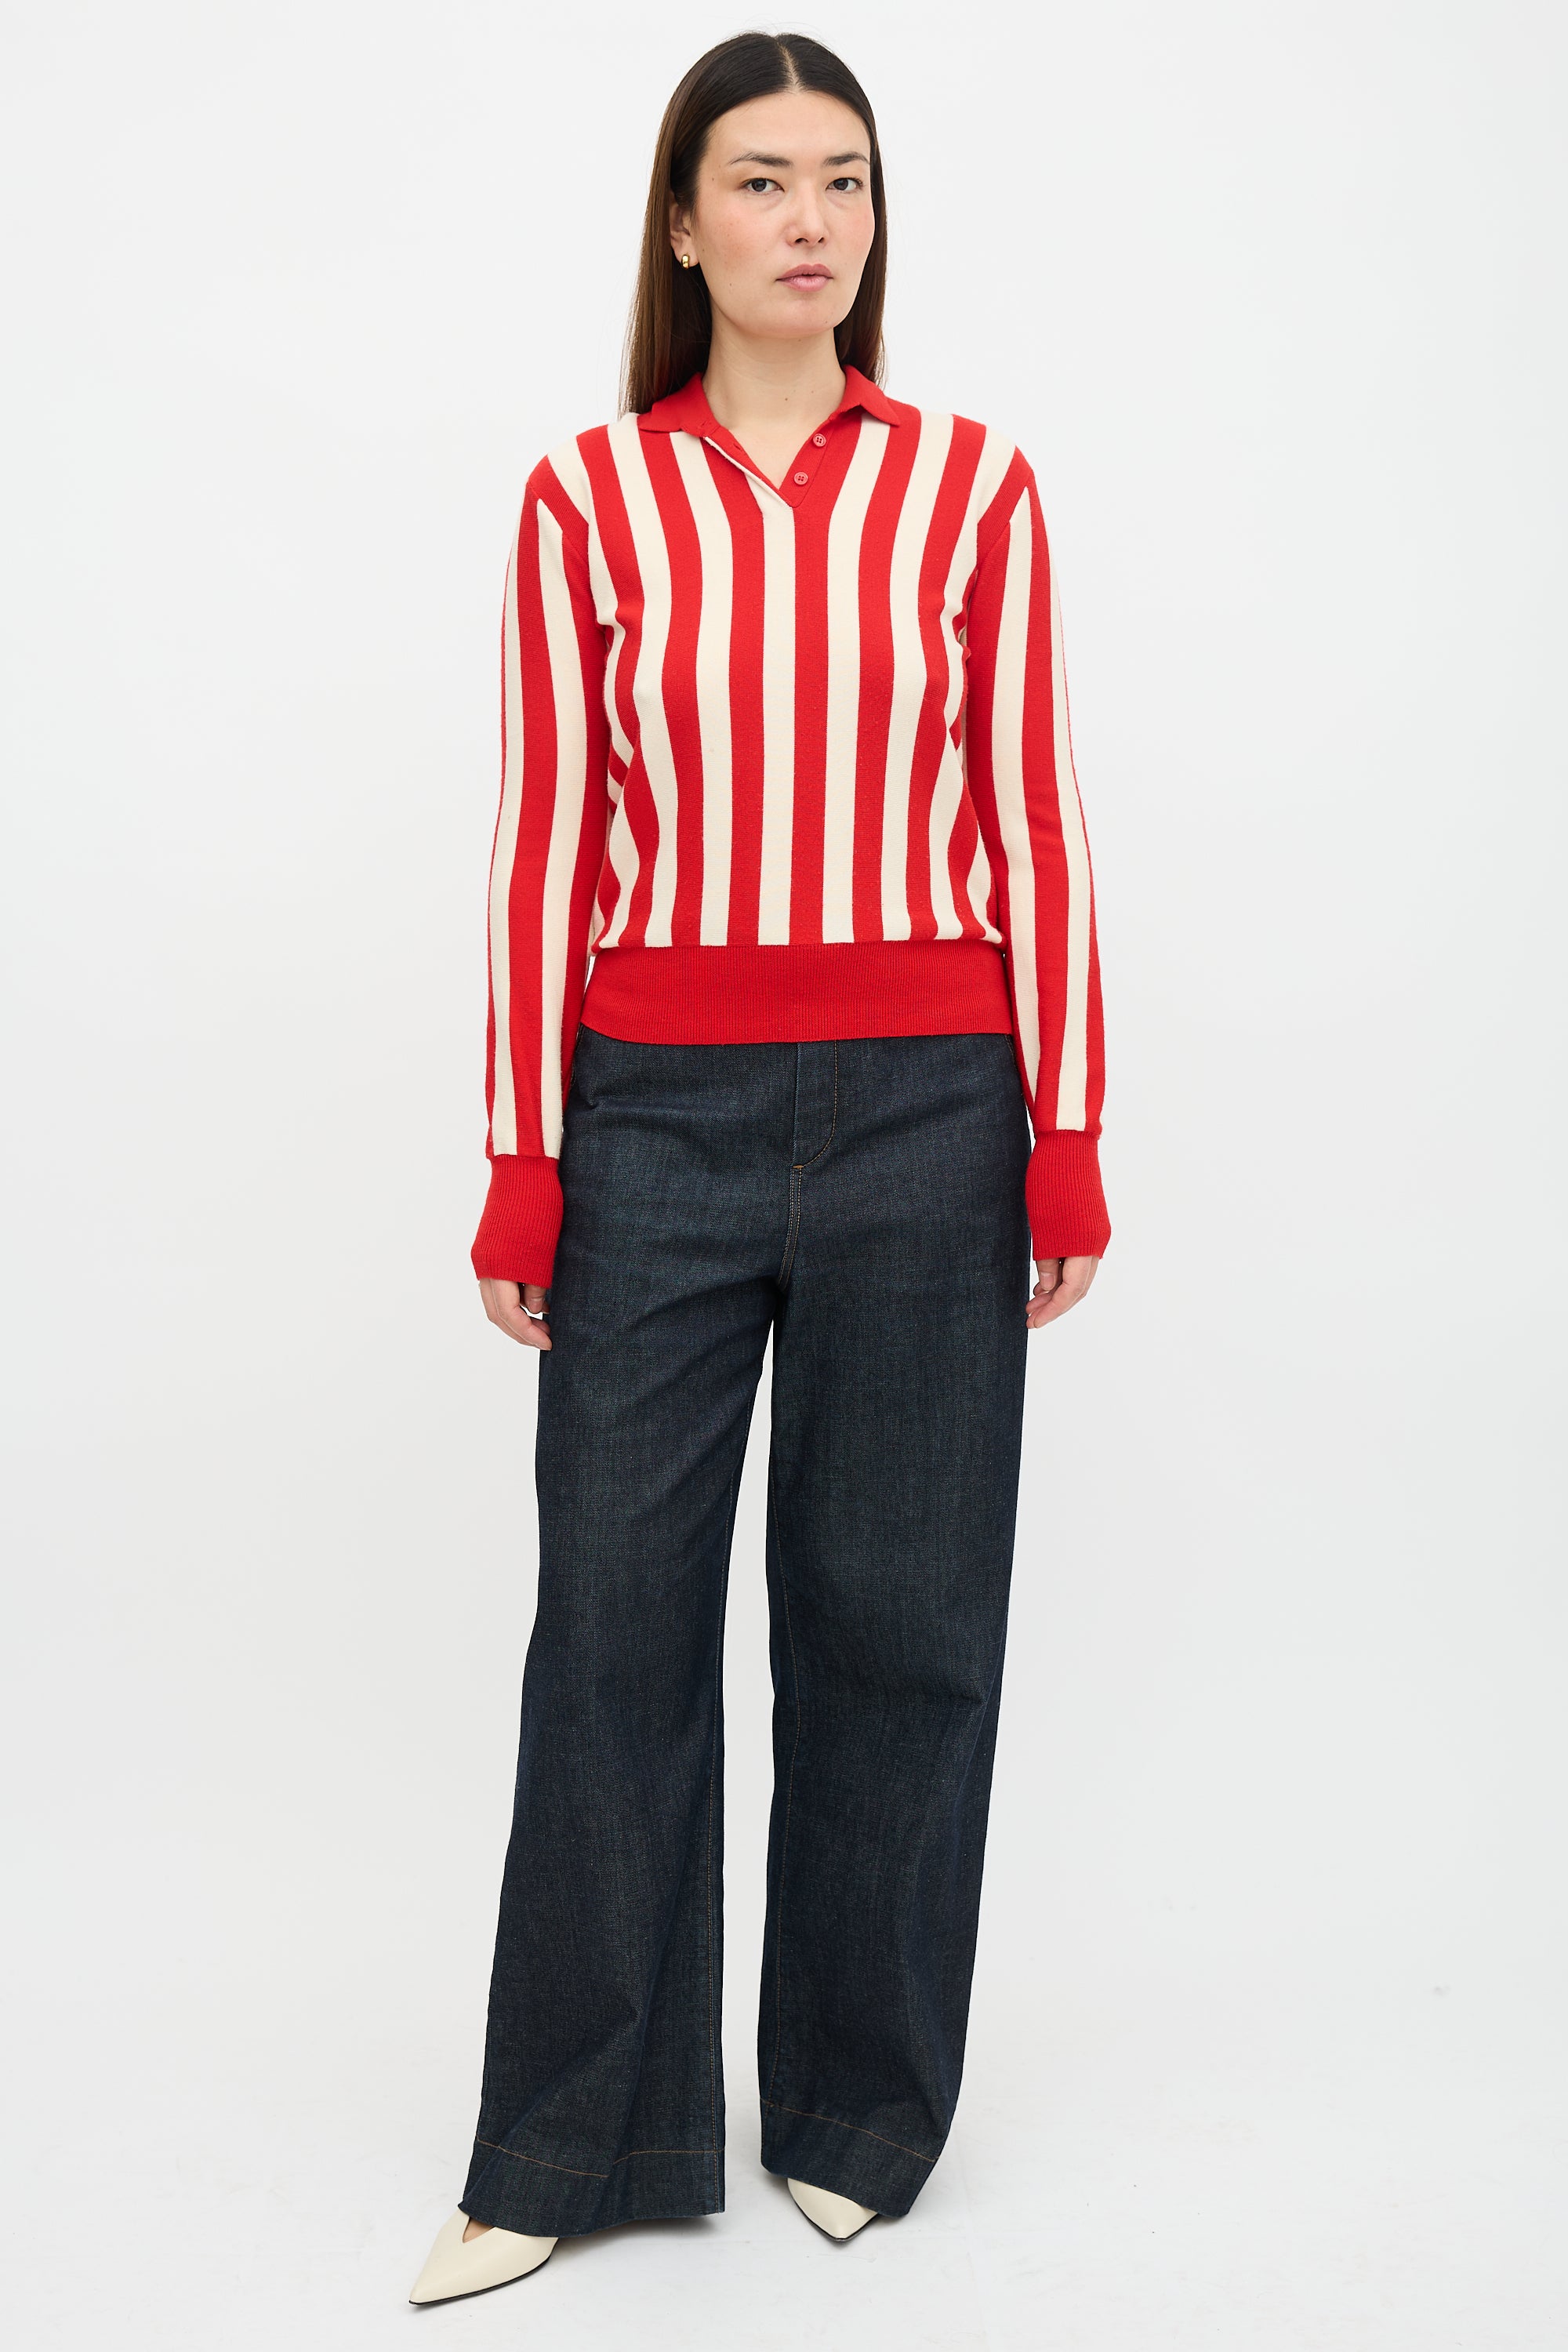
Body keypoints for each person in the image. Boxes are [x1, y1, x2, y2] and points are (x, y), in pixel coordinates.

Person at [409, 27, 1110, 2306]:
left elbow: (1034, 817)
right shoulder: (586, 501)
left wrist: (1067, 1135)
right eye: (764, 179)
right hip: (656, 1122)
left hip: (932, 1115)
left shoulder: (976, 491)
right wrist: (526, 1160)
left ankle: (855, 2110)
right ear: (685, 223)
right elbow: (544, 844)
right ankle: (566, 2139)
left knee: (902, 1625)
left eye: (846, 181)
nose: (812, 220)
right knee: (612, 1629)